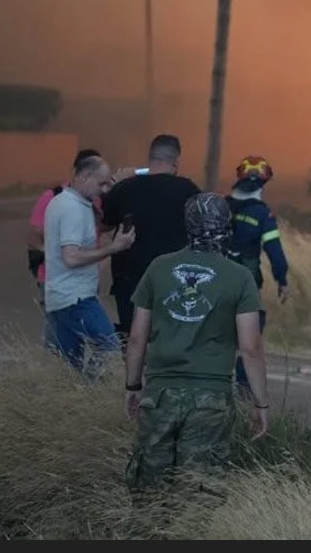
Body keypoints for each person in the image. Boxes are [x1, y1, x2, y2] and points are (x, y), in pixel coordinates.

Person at [123, 193, 269, 492]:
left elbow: (137, 337)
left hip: (159, 394)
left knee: (149, 490)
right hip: (211, 399)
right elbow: (251, 347)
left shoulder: (158, 267)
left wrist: (133, 386)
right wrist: (261, 402)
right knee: (198, 491)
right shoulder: (240, 277)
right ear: (226, 227)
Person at [44, 154, 136, 375]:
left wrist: (114, 187)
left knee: (70, 367)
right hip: (75, 299)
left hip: (61, 298)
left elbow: (98, 224)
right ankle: (92, 388)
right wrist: (114, 248)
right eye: (101, 183)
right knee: (110, 347)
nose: (104, 189)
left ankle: (78, 397)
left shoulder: (70, 203)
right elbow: (71, 257)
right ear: (85, 177)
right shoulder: (71, 208)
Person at [101, 134, 201, 337]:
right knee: (171, 337)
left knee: (133, 338)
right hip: (175, 281)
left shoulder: (125, 189)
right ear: (176, 162)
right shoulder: (189, 191)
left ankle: (134, 369)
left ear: (149, 159)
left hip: (130, 281)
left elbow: (104, 224)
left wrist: (115, 186)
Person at [225, 155, 289, 392]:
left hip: (216, 284)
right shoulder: (263, 215)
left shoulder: (221, 206)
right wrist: (282, 281)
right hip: (246, 288)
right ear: (264, 183)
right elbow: (275, 252)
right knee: (249, 342)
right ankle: (243, 393)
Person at [28, 148, 102, 350]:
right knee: (56, 338)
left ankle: (75, 378)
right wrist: (57, 255)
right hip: (54, 279)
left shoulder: (95, 200)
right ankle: (58, 376)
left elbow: (100, 229)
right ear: (81, 173)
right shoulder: (52, 197)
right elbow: (34, 237)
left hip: (84, 281)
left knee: (80, 336)